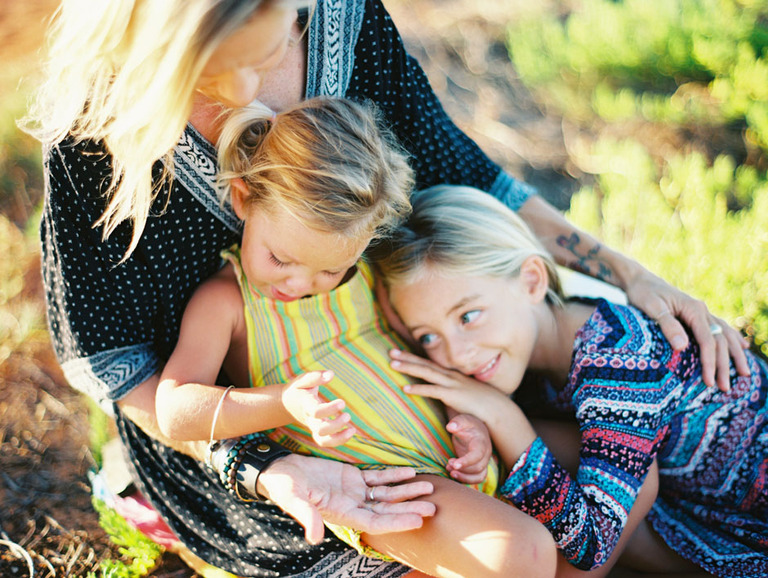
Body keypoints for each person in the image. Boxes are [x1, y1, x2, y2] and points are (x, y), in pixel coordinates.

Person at [20, 0, 750, 575]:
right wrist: (262, 467)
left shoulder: (343, 18)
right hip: (279, 451)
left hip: (427, 401)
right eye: (218, 69)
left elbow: (461, 169)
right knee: (513, 551)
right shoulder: (96, 134)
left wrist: (628, 272)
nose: (251, 97)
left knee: (613, 490)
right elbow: (132, 373)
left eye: (278, 40)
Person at [155, 96, 498, 558]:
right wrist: (286, 404)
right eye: (280, 258)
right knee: (520, 555)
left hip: (464, 458)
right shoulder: (227, 302)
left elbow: (422, 352)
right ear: (243, 197)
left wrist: (474, 422)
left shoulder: (367, 276)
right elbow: (176, 410)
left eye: (329, 270)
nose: (299, 284)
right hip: (389, 489)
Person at [374, 184, 768, 578]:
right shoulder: (534, 342)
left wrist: (502, 417)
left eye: (468, 316)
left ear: (531, 281)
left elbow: (592, 547)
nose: (456, 356)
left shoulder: (621, 364)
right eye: (428, 336)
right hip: (694, 513)